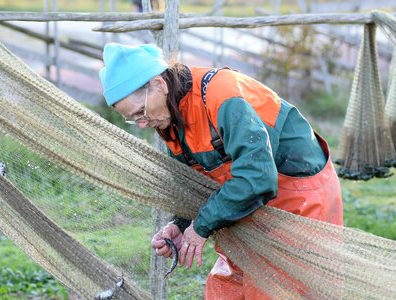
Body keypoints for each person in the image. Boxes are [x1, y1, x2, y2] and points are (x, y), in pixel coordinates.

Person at [99, 43, 343, 299]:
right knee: (224, 290)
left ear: (159, 85)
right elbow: (192, 183)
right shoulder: (168, 118)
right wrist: (180, 224)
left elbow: (258, 179)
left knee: (275, 289)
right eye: (133, 118)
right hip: (246, 203)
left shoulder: (222, 95)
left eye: (141, 112)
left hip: (297, 196)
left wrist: (201, 226)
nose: (141, 123)